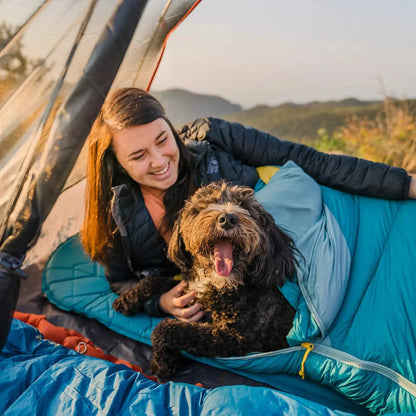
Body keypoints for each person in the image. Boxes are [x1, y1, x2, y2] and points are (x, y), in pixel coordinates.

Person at [81, 87, 416, 323]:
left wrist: (406, 184)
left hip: (303, 238)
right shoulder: (119, 216)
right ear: (117, 164)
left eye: (162, 140)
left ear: (170, 128)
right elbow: (121, 281)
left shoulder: (215, 139)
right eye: (138, 156)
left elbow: (310, 161)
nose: (159, 161)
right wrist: (161, 302)